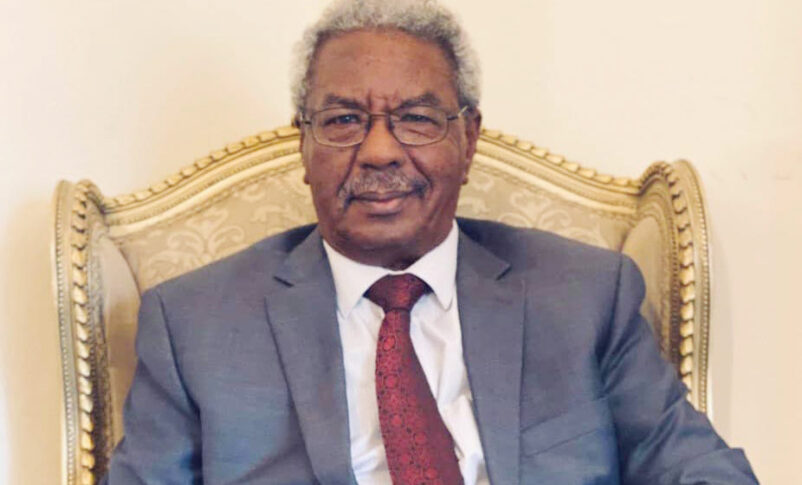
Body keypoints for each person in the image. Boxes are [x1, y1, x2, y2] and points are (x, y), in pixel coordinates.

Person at [102, 0, 758, 483]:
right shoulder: (194, 325)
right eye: (343, 120)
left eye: (415, 119)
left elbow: (696, 467)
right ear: (303, 143)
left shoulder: (586, 296)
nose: (379, 151)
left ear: (468, 140)